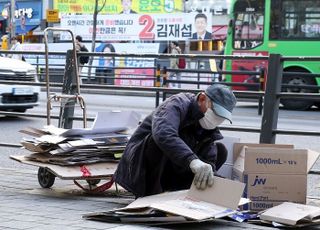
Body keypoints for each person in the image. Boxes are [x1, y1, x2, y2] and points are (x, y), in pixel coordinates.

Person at [114, 84, 237, 198]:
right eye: (216, 113)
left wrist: (222, 187)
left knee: (220, 151)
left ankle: (182, 192)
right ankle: (150, 196)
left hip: (174, 169)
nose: (217, 120)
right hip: (140, 167)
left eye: (221, 118)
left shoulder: (208, 127)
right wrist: (193, 161)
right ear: (202, 99)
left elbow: (209, 159)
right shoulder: (177, 104)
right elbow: (163, 133)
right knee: (160, 141)